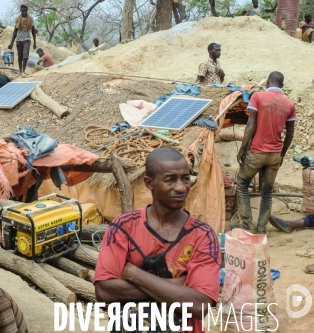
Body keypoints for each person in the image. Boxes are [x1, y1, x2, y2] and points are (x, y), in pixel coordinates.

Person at [94, 148, 220, 332]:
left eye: (186, 178)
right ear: (149, 183)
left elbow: (199, 305)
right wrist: (178, 286)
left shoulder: (202, 235)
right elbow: (104, 292)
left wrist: (132, 274)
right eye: (170, 179)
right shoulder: (124, 227)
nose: (181, 187)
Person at [236, 71, 295, 233]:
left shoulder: (258, 97)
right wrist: (282, 154)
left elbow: (251, 125)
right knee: (267, 192)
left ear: (268, 82)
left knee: (241, 183)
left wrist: (242, 150)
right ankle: (261, 228)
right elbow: (290, 134)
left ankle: (247, 225)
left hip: (256, 152)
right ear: (282, 85)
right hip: (275, 154)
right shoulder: (289, 104)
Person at [8, 3, 37, 76]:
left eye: (25, 10)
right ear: (21, 10)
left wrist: (34, 42)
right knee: (20, 57)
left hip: (27, 39)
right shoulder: (18, 19)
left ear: (27, 10)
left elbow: (33, 30)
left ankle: (23, 71)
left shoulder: (31, 19)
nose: (24, 11)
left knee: (25, 55)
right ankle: (20, 71)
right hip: (19, 40)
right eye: (22, 10)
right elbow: (15, 31)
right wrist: (11, 43)